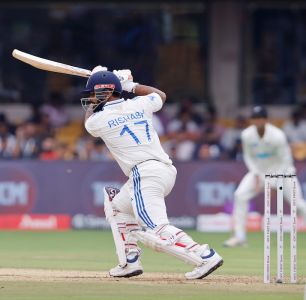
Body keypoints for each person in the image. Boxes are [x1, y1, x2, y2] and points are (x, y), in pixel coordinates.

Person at [82, 68, 223, 279]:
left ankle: (205, 254)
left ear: (103, 93)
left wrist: (100, 79)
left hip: (144, 174)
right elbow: (161, 96)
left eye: (93, 93)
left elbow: (88, 120)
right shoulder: (140, 103)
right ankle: (129, 260)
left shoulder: (98, 120)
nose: (90, 98)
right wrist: (130, 85)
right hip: (163, 170)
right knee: (117, 205)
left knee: (155, 228)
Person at [223, 106, 306, 247]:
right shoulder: (247, 135)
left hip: (284, 173)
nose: (257, 122)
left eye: (260, 119)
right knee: (240, 195)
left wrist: (273, 184)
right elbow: (249, 156)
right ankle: (239, 237)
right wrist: (255, 174)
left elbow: (285, 161)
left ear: (266, 120)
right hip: (259, 172)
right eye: (255, 119)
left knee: (298, 204)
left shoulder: (277, 135)